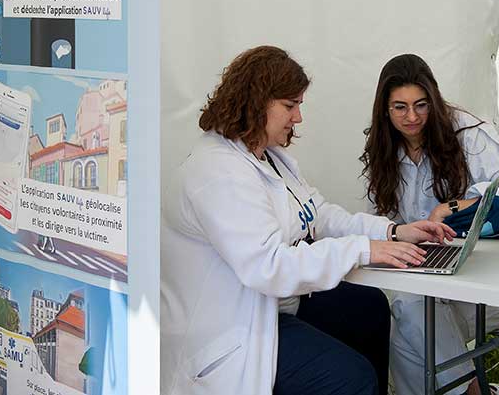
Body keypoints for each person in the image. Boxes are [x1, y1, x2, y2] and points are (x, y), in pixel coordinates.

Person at [161, 46, 454, 395]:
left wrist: (392, 232)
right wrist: (362, 250)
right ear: (256, 102)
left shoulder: (268, 157)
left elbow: (317, 214)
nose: (298, 117)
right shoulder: (217, 172)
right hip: (230, 331)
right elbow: (269, 266)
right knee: (351, 377)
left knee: (369, 307)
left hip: (271, 307)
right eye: (290, 105)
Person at [360, 54, 499, 395]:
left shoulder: (468, 133)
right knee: (407, 316)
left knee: (408, 316)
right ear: (384, 108)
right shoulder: (384, 149)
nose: (412, 117)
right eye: (400, 107)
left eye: (421, 105)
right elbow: (383, 220)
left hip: (485, 280)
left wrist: (453, 207)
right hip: (428, 281)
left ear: (434, 101)